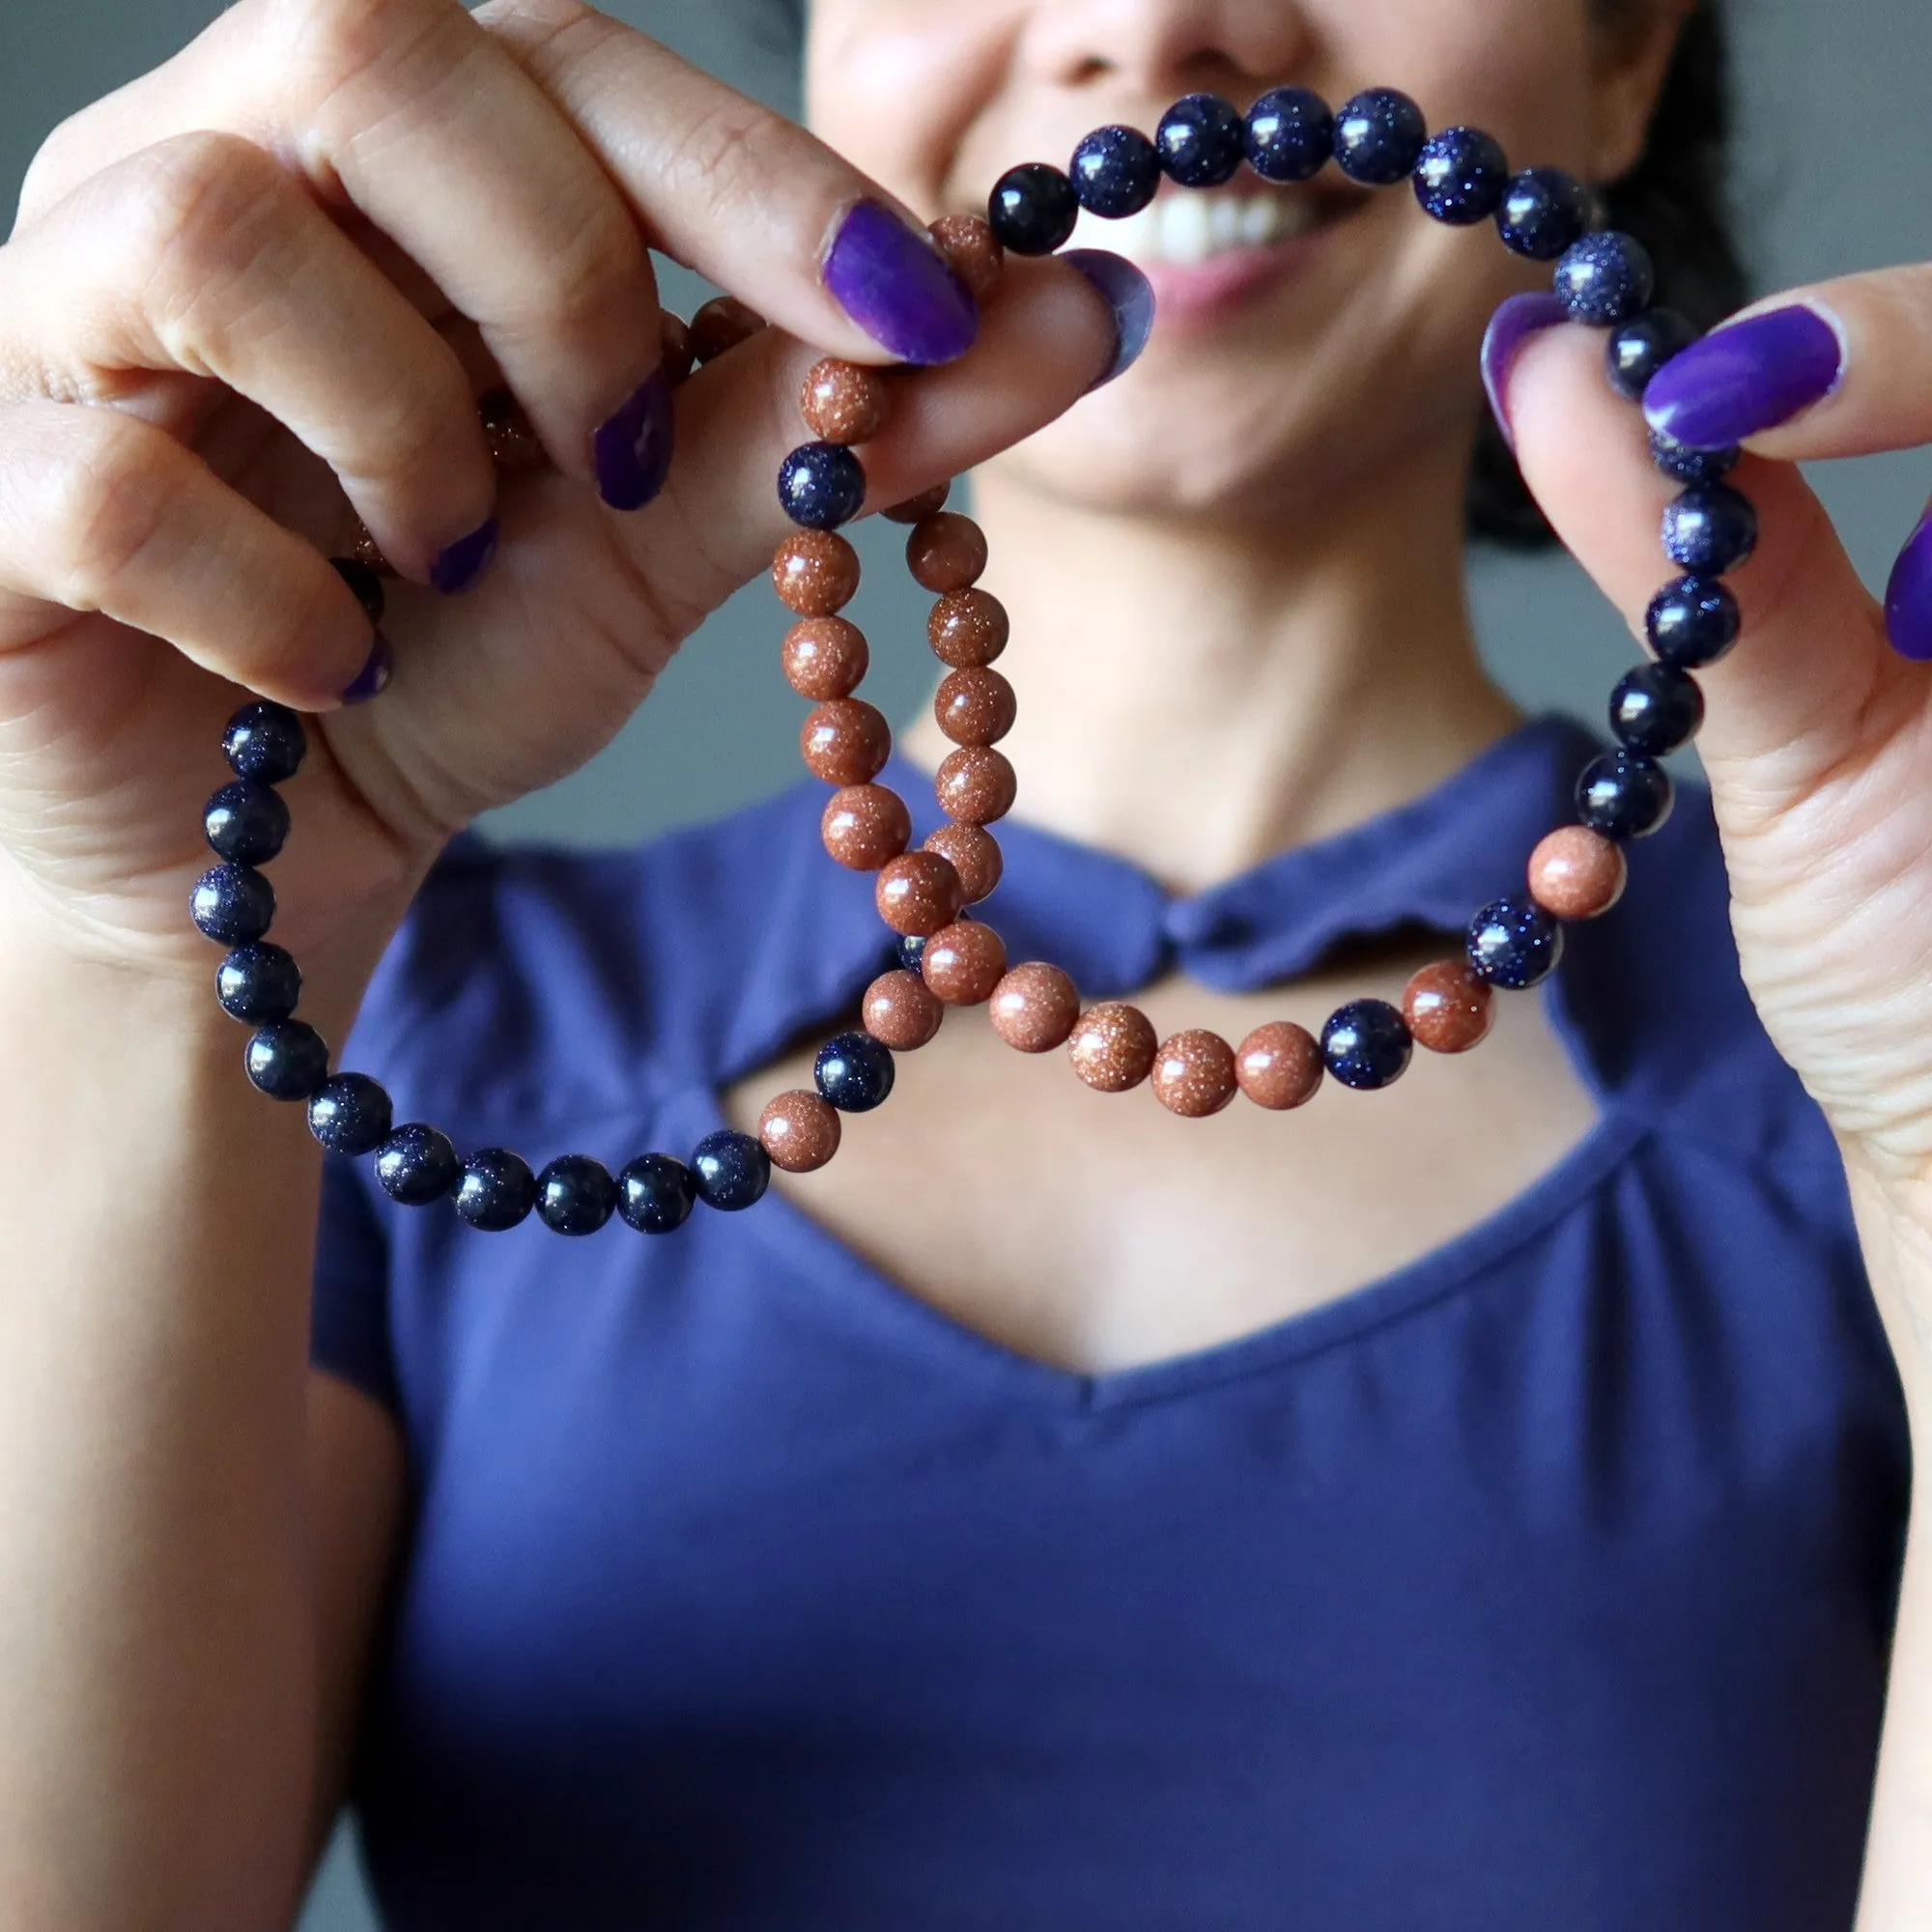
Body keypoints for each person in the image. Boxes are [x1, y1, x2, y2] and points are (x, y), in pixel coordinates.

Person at [4, 0, 1932, 1923]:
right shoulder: (399, 1037)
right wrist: (134, 933)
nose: (1147, 24)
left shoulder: (1860, 1048)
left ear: (1623, 50)